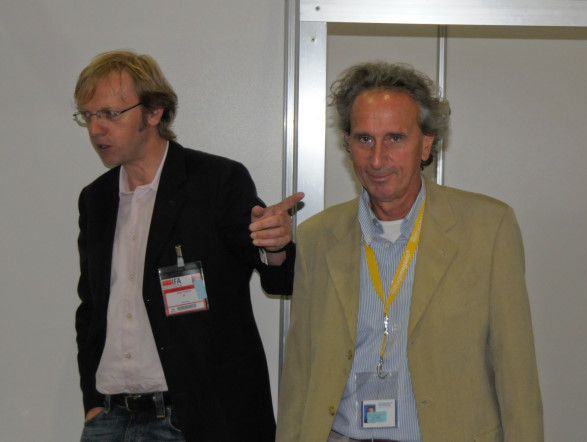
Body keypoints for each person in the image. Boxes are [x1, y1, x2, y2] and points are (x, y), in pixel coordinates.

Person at [276, 62, 543, 441]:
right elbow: (299, 373)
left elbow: (517, 373)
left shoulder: (488, 229)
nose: (377, 159)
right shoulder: (318, 237)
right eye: (364, 139)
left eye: (395, 139)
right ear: (348, 143)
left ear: (426, 144)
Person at [73, 50, 303, 441]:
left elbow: (279, 279)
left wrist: (276, 245)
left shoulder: (216, 182)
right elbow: (91, 309)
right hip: (111, 419)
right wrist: (93, 404)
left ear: (154, 112)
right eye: (88, 115)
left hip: (193, 420)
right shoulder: (96, 199)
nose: (96, 129)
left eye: (110, 114)